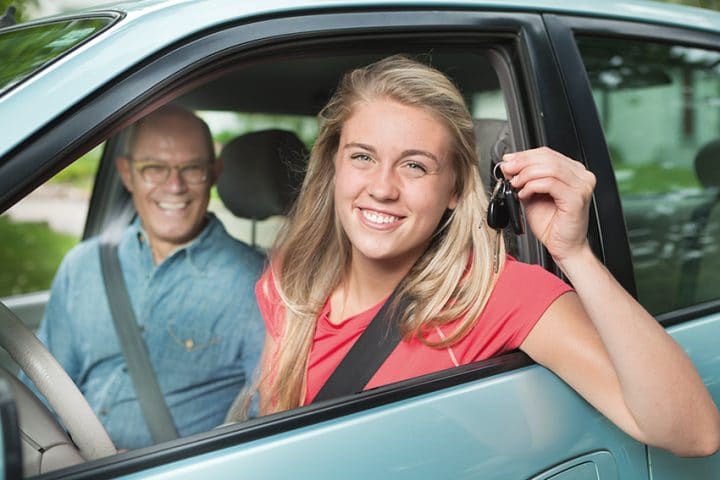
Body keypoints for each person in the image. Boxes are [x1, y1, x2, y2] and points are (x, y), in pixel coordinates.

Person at [255, 55, 720, 457]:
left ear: (455, 188)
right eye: (362, 157)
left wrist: (573, 253)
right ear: (334, 165)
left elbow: (692, 434)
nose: (381, 188)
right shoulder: (292, 281)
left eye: (415, 165)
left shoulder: (498, 294)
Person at [25, 105, 265, 450]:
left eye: (192, 168)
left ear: (214, 173)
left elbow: (264, 422)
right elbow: (39, 395)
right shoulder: (83, 265)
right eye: (154, 168)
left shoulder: (257, 283)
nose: (174, 186)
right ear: (127, 173)